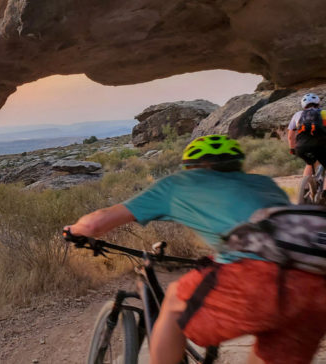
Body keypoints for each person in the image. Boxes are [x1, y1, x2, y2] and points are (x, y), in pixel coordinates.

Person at [63, 135, 326, 364]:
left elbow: (96, 223)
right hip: (313, 285)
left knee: (175, 298)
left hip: (255, 278)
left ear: (192, 166)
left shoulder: (178, 183)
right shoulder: (263, 183)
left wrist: (75, 230)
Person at [287, 93, 326, 181]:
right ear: (318, 103)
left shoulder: (297, 115)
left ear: (303, 105)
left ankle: (305, 187)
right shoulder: (324, 113)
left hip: (301, 147)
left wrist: (292, 149)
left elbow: (290, 136)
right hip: (320, 146)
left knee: (309, 163)